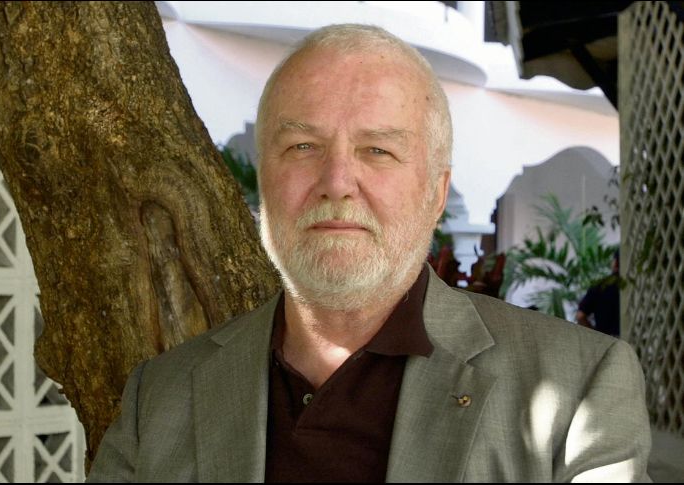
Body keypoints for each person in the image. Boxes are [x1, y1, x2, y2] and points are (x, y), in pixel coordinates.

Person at [87, 24, 651, 482]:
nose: (336, 181)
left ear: (436, 193)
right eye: (302, 146)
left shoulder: (578, 391)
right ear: (264, 183)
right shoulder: (157, 397)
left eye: (378, 150)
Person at [576, 250, 621, 337]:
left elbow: (580, 316)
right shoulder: (635, 287)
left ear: (615, 263)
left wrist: (596, 335)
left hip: (606, 340)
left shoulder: (600, 285)